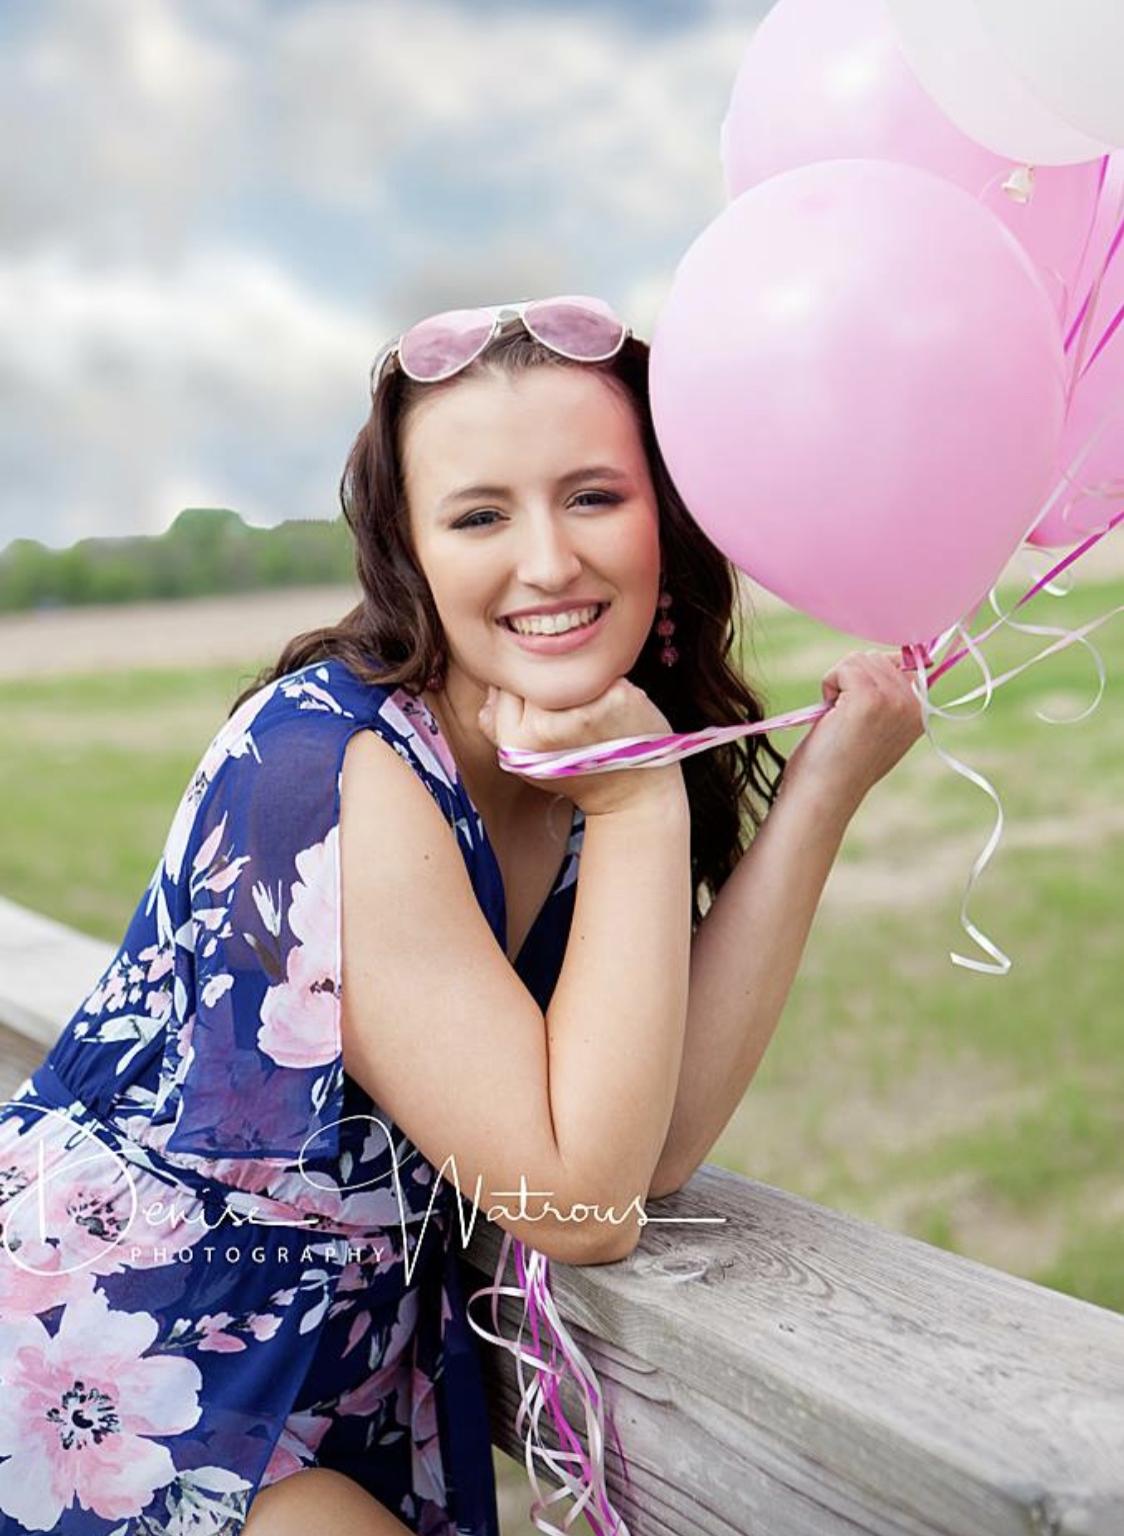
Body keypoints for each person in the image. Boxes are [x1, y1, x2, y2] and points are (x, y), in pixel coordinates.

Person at [0, 296, 924, 1536]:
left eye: (593, 495)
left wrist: (818, 792)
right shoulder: (327, 765)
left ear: (671, 514)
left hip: (332, 1362)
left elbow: (633, 1145)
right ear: (411, 553)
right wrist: (640, 807)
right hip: (112, 1360)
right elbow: (580, 1209)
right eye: (480, 514)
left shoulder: (581, 743)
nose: (546, 560)